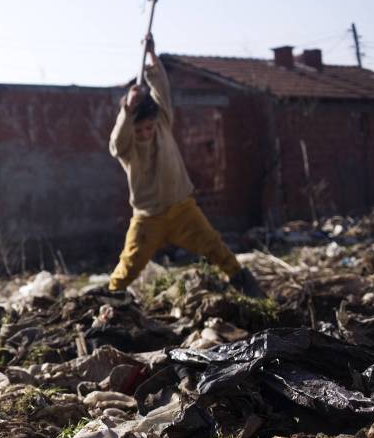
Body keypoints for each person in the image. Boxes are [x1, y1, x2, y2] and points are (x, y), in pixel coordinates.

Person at [107, 35, 263, 297]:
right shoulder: (126, 146)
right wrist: (127, 110)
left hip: (182, 209)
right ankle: (111, 301)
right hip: (147, 219)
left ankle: (246, 286)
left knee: (215, 246)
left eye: (148, 128)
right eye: (140, 129)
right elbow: (115, 142)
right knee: (128, 266)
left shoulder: (163, 122)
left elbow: (161, 91)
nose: (145, 133)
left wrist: (152, 58)